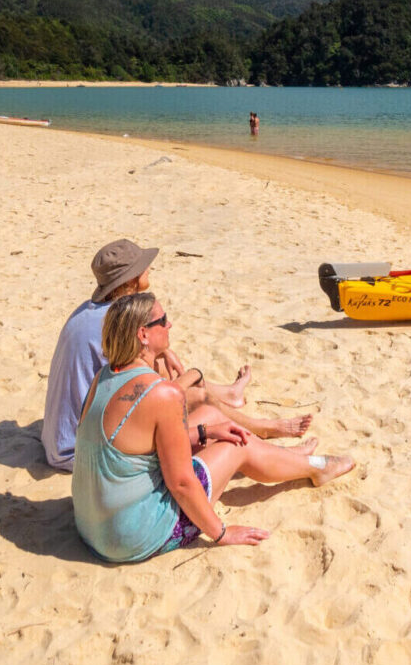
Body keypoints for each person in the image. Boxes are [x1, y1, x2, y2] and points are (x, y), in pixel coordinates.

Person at [73, 292, 355, 560]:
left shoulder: (104, 377)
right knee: (236, 447)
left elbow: (139, 443)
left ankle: (290, 456)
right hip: (129, 536)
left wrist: (206, 433)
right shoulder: (162, 394)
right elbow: (181, 483)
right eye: (162, 320)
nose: (169, 324)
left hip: (91, 525)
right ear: (143, 334)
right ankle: (316, 467)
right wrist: (221, 533)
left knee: (210, 414)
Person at [40, 239, 306, 471]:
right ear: (131, 280)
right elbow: (157, 393)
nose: (149, 268)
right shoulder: (113, 323)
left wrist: (165, 352)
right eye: (144, 266)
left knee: (170, 375)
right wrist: (192, 375)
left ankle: (231, 397)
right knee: (199, 399)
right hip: (80, 450)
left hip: (62, 438)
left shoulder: (93, 312)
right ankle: (264, 431)